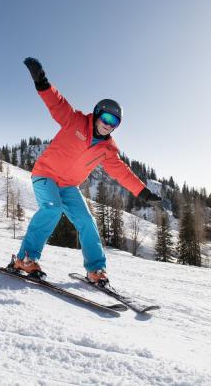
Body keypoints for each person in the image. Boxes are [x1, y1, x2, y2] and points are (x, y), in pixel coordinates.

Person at [12, 57, 162, 283]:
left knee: (86, 221)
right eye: (107, 118)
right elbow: (56, 103)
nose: (109, 125)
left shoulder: (108, 148)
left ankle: (95, 269)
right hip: (45, 175)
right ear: (98, 113)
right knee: (52, 209)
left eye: (115, 123)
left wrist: (144, 193)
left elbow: (122, 172)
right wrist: (41, 81)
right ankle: (25, 259)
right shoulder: (75, 121)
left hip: (68, 185)